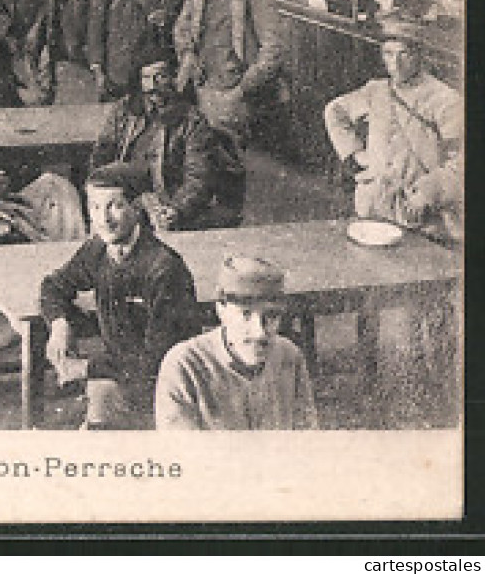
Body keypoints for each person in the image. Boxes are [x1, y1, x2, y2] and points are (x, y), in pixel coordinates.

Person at [40, 163, 200, 429]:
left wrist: (85, 368)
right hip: (121, 375)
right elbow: (53, 286)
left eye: (115, 206)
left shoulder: (163, 269)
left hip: (166, 386)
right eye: (94, 207)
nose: (103, 219)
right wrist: (59, 324)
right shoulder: (100, 249)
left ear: (138, 208)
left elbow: (156, 361)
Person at [323, 25, 462, 237]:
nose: (395, 63)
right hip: (375, 204)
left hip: (421, 213)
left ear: (419, 55)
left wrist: (427, 193)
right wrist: (357, 154)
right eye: (388, 54)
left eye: (404, 53)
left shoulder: (445, 99)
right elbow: (335, 112)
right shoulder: (376, 90)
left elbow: (461, 160)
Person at [155, 257, 319, 430]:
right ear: (221, 309)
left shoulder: (289, 356)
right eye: (246, 314)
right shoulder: (184, 366)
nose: (260, 332)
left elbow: (306, 441)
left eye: (271, 316)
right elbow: (180, 453)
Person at [90, 54, 247, 231]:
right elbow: (102, 155)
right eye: (146, 78)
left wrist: (176, 209)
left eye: (161, 77)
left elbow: (198, 178)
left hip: (168, 197)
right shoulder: (123, 112)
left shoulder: (191, 120)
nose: (152, 86)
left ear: (173, 78)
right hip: (128, 197)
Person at [173, 0, 287, 147]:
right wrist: (188, 55)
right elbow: (182, 28)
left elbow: (273, 46)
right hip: (202, 86)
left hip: (234, 91)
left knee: (228, 157)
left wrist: (245, 85)